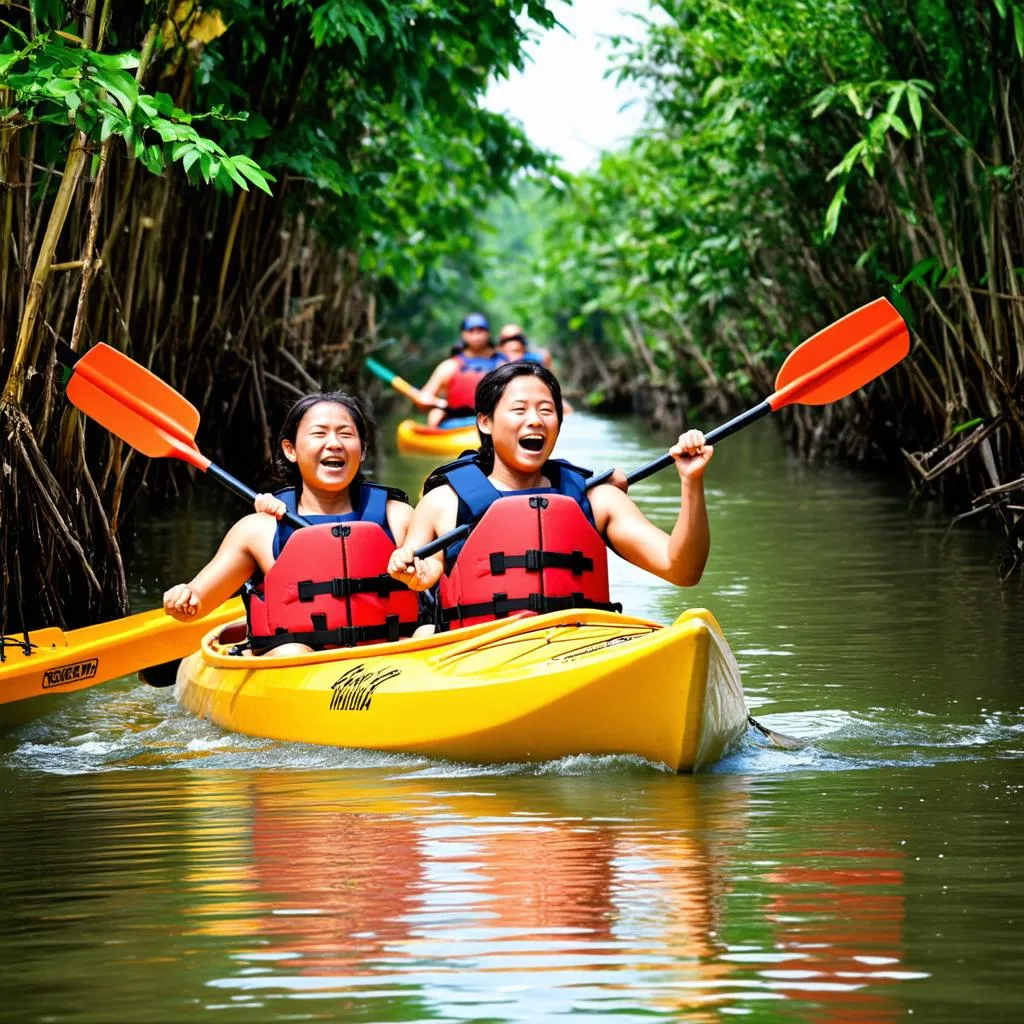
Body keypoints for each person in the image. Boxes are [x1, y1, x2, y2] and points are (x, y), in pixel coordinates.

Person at [387, 362, 712, 630]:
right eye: (519, 410)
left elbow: (682, 569)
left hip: (579, 651)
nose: (535, 420)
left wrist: (691, 482)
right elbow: (424, 573)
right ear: (485, 422)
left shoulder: (598, 500)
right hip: (475, 654)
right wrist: (415, 573)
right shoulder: (444, 502)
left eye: (546, 410)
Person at [163, 392, 418, 655]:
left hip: (388, 659)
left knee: (424, 633)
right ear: (290, 450)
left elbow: (436, 590)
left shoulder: (398, 518)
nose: (334, 443)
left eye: (345, 434)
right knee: (292, 650)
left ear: (363, 450)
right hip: (294, 663)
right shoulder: (259, 530)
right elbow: (197, 603)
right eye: (319, 434)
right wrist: (183, 598)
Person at [417, 312, 507, 427]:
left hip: (491, 423)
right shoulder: (449, 366)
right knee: (434, 414)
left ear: (488, 333)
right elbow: (424, 398)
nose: (477, 335)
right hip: (455, 425)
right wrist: (431, 402)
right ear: (463, 334)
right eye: (472, 331)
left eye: (481, 330)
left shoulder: (502, 365)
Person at [498, 323, 574, 414]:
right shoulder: (494, 362)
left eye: (517, 338)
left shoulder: (536, 360)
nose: (513, 341)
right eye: (507, 339)